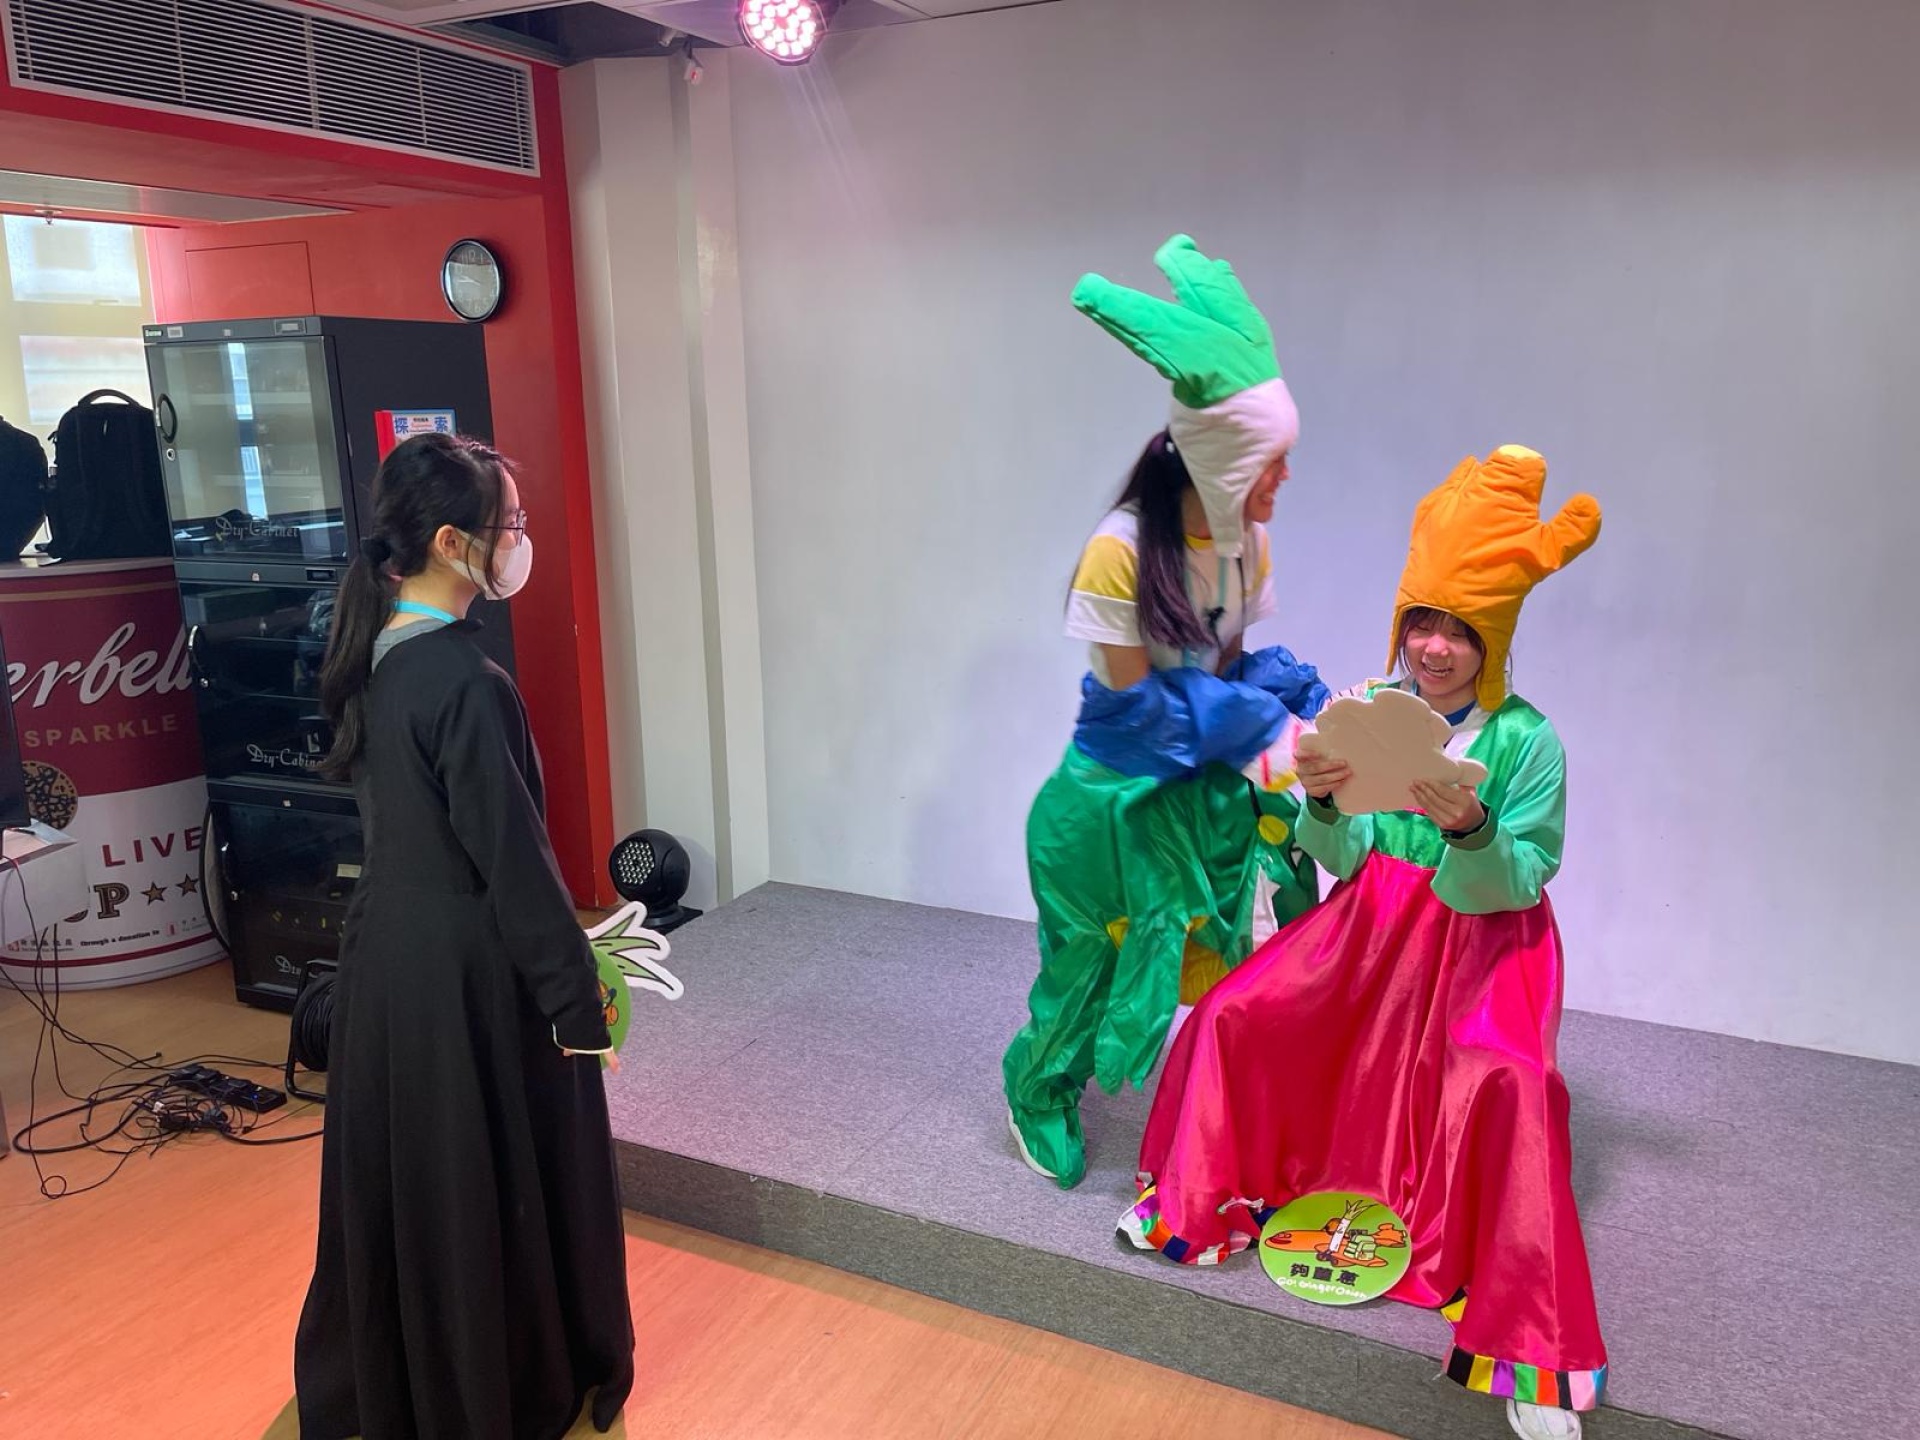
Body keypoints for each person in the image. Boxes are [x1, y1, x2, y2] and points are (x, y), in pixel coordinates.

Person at [1123, 446, 1607, 1440]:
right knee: (1235, 1011)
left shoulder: (1529, 740)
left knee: (1509, 1085)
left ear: (1493, 640)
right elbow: (1342, 856)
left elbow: (1526, 873)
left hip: (1485, 942)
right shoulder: (1373, 710)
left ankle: (1525, 1338)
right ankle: (1207, 1194)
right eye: (1421, 623)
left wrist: (1472, 830)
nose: (1435, 648)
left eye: (1460, 631)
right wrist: (1326, 800)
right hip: (1374, 923)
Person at [295, 432, 634, 1440]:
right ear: (452, 541)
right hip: (463, 972)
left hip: (385, 962)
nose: (519, 539)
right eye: (510, 524)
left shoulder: (373, 654)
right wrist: (578, 1008)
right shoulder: (466, 679)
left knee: (418, 1181)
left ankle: (414, 1382)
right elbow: (515, 864)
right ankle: (494, 1385)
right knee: (489, 1177)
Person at [1002, 236, 1330, 1189]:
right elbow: (1137, 708)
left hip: (1198, 790)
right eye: (1273, 462)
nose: (1284, 480)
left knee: (1235, 949)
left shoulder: (1246, 546)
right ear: (1225, 461)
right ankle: (1038, 1088)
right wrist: (1261, 730)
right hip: (1112, 802)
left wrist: (1309, 709)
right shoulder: (1117, 553)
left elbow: (1227, 669)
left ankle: (1233, 1112)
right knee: (1093, 961)